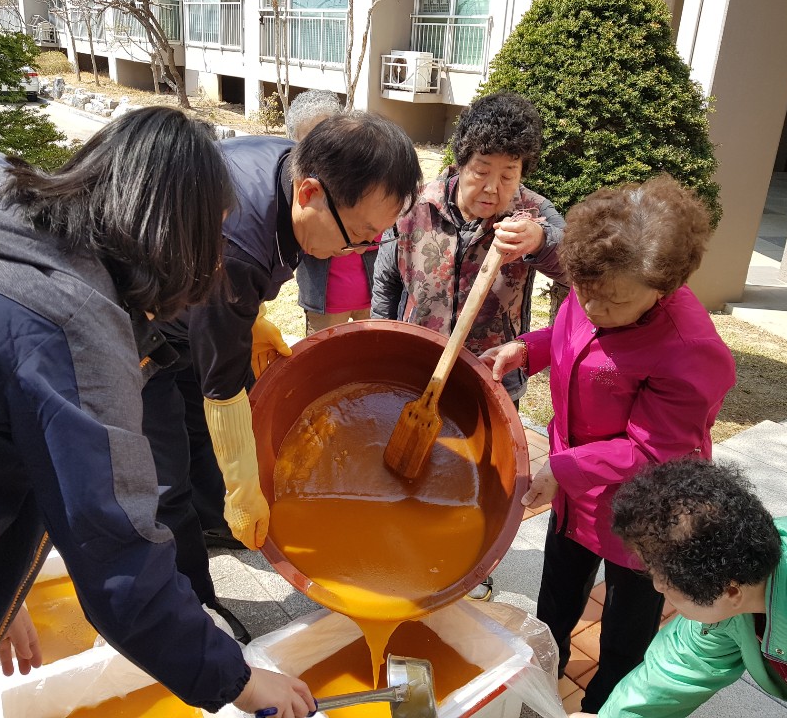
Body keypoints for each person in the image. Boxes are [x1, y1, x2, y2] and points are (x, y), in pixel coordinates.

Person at [0, 106, 315, 717]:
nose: (215, 265)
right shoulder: (74, 329)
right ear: (169, 231)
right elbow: (119, 556)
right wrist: (237, 681)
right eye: (212, 240)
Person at [479, 175, 737, 712]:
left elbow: (653, 451)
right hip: (575, 488)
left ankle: (603, 705)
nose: (594, 307)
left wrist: (561, 469)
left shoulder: (690, 348)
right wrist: (527, 349)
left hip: (644, 507)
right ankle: (540, 682)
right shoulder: (599, 278)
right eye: (584, 292)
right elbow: (574, 335)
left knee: (626, 626)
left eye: (615, 302)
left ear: (663, 287)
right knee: (556, 597)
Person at [147, 113, 422, 613]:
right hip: (137, 330)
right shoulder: (237, 247)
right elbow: (222, 391)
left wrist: (248, 319)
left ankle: (213, 521)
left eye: (375, 238)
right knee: (166, 477)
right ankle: (190, 607)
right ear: (310, 192)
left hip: (194, 308)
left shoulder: (288, 163)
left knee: (200, 435)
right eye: (358, 235)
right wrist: (244, 488)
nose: (358, 252)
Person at [371, 90, 566, 601]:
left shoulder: (534, 216)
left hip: (493, 375)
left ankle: (466, 565)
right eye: (482, 170)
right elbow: (387, 281)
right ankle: (404, 548)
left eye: (509, 174)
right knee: (413, 465)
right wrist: (381, 345)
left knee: (480, 477)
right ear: (461, 162)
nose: (493, 187)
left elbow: (577, 268)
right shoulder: (417, 205)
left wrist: (540, 242)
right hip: (417, 370)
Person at [568, 459, 787, 718]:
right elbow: (680, 665)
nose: (658, 586)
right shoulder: (739, 564)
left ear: (729, 592)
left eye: (665, 579)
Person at [287, 91, 379, 336]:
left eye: (327, 139)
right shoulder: (294, 190)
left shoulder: (367, 177)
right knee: (322, 358)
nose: (320, 153)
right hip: (324, 304)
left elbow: (385, 230)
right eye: (308, 143)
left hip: (370, 299)